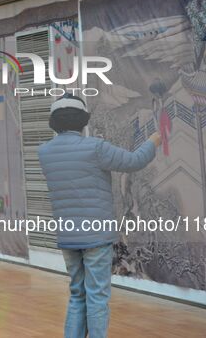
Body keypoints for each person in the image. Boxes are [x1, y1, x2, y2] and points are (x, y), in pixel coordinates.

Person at [38, 94, 160, 338]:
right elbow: (134, 161)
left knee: (77, 294)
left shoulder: (45, 151)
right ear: (82, 119)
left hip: (68, 237)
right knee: (97, 298)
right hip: (96, 236)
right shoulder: (95, 147)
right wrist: (153, 141)